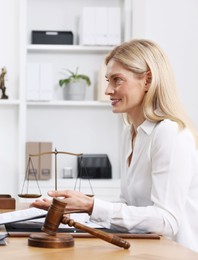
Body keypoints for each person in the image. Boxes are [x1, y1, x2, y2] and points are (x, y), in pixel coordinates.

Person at [31, 39, 198, 252]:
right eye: (108, 80)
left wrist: (91, 206)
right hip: (144, 250)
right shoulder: (129, 132)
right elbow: (129, 208)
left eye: (117, 80)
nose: (108, 90)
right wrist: (75, 210)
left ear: (147, 81)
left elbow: (166, 221)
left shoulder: (169, 133)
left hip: (175, 254)